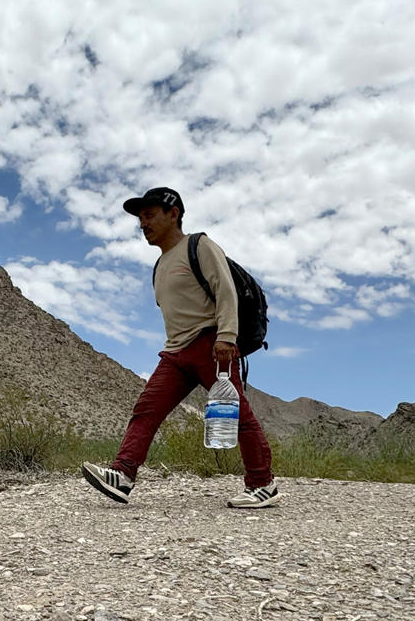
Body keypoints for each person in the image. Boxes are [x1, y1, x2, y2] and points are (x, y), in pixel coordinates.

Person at [81, 186, 280, 509]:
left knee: (235, 413)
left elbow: (224, 289)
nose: (143, 224)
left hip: (210, 345)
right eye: (140, 218)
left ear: (173, 214)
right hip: (176, 352)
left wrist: (227, 336)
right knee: (147, 409)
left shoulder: (198, 245)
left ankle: (262, 484)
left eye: (149, 215)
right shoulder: (159, 267)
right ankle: (122, 475)